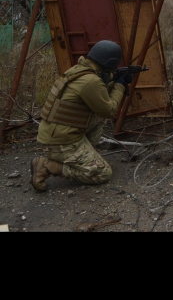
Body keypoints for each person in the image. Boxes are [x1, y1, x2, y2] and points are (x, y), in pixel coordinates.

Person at [30, 40, 133, 192]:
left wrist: (114, 81)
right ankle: (46, 165)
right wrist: (120, 84)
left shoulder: (79, 71)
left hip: (55, 134)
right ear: (109, 63)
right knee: (103, 173)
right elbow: (109, 110)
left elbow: (98, 98)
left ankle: (83, 155)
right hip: (61, 142)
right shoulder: (91, 81)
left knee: (98, 117)